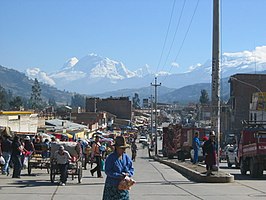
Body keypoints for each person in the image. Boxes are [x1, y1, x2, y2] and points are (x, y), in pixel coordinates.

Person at [102, 136, 134, 200]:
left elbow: (131, 169)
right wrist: (119, 176)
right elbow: (108, 171)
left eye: (124, 148)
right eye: (122, 148)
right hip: (112, 187)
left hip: (123, 187)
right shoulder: (111, 158)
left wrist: (128, 174)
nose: (123, 150)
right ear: (116, 148)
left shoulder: (126, 157)